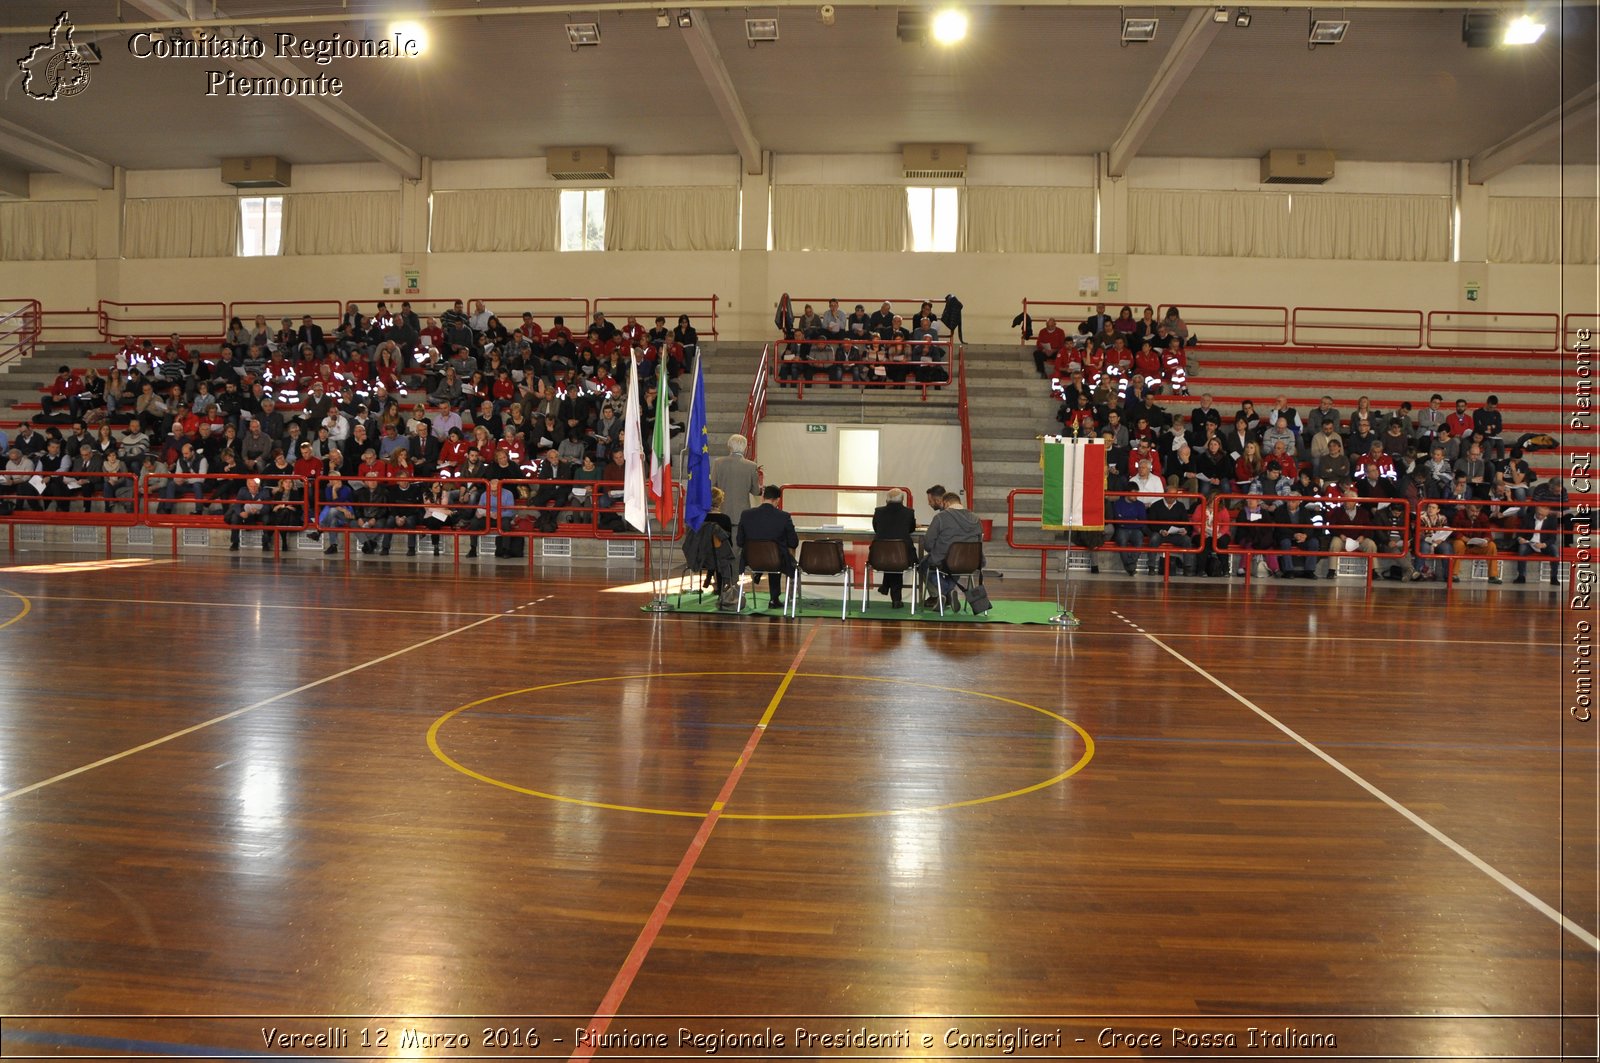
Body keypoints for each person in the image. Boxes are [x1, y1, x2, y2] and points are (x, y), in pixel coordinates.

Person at [918, 490, 984, 607]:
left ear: (946, 503)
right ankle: (949, 593)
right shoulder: (976, 518)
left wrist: (936, 551)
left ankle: (944, 592)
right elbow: (979, 541)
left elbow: (928, 543)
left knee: (923, 565)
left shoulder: (941, 517)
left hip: (945, 560)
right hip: (971, 562)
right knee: (956, 565)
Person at [736, 485, 798, 609]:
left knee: (770, 555)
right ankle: (774, 599)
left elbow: (740, 541)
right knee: (777, 556)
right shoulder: (784, 517)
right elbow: (793, 542)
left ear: (763, 497)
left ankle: (758, 573)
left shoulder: (746, 514)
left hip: (752, 560)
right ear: (777, 500)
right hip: (775, 561)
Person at [871, 487, 917, 608]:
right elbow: (911, 529)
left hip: (879, 556)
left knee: (890, 556)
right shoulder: (909, 512)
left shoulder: (878, 511)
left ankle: (886, 586)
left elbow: (876, 528)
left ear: (887, 500)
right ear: (902, 500)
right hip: (903, 555)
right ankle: (896, 598)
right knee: (896, 558)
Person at [711, 434, 762, 514]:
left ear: (729, 446)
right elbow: (756, 491)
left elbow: (713, 486)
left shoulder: (718, 463)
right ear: (745, 448)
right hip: (742, 512)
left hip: (722, 510)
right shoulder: (752, 466)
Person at [1513, 504, 1561, 585]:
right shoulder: (1527, 517)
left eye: (1543, 515)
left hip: (1544, 544)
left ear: (1547, 513)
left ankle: (1554, 577)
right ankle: (1521, 576)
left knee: (1555, 550)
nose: (1540, 516)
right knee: (1522, 548)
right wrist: (1520, 539)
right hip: (1529, 543)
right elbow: (1520, 533)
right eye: (1539, 513)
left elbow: (1553, 538)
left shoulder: (1552, 520)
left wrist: (1544, 544)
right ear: (1536, 510)